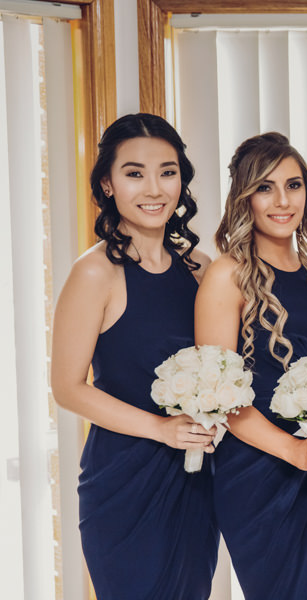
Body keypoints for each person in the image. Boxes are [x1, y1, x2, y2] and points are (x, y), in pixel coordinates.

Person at [50, 113, 218, 598]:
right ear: (107, 183)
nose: (154, 189)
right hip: (123, 482)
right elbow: (67, 388)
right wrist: (161, 429)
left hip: (195, 479)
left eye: (167, 172)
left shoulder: (200, 268)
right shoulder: (94, 273)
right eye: (134, 173)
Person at [194, 132, 307, 599]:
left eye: (293, 185)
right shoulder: (227, 276)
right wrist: (295, 451)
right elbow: (218, 398)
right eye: (265, 187)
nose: (283, 200)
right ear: (245, 198)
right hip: (257, 472)